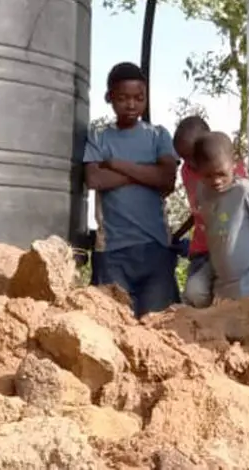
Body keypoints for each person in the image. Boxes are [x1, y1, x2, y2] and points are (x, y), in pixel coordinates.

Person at [83, 62, 181, 317]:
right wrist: (146, 173)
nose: (131, 105)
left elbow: (167, 179)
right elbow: (94, 179)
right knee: (112, 325)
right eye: (123, 98)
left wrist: (117, 164)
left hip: (155, 248)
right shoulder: (99, 136)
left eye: (139, 98)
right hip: (112, 251)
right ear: (109, 98)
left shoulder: (159, 135)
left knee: (158, 326)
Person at [172, 115, 249, 307]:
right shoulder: (187, 171)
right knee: (193, 297)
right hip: (201, 250)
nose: (191, 163)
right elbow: (198, 209)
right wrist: (177, 234)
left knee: (199, 293)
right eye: (185, 159)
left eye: (194, 155)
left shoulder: (229, 169)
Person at [193, 131, 249, 302]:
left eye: (221, 174)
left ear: (234, 163)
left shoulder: (245, 191)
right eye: (208, 176)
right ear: (198, 171)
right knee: (196, 295)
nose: (216, 181)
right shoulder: (202, 192)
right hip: (222, 287)